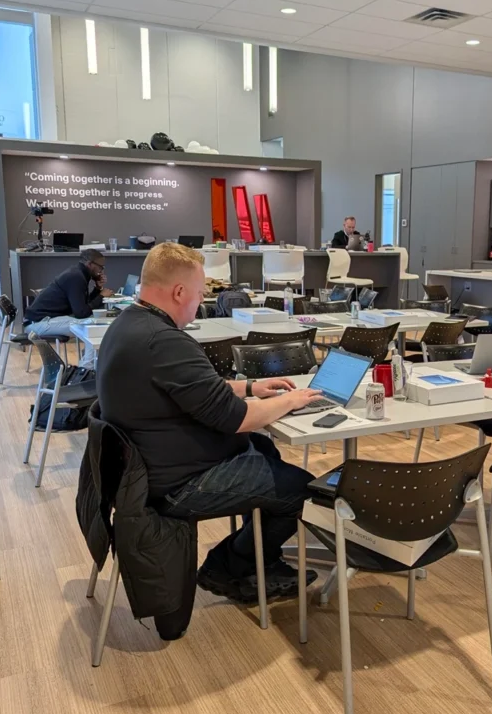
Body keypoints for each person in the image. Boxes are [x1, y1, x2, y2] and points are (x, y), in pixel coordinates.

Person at [96, 242, 324, 605]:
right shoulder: (165, 342)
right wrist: (291, 400)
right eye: (201, 293)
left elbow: (189, 388)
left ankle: (258, 561)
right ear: (179, 292)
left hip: (145, 470)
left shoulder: (128, 324)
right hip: (178, 483)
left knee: (265, 448)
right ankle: (231, 564)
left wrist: (249, 386)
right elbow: (238, 419)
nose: (201, 301)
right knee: (303, 490)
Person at [24, 248, 113, 366]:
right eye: (101, 267)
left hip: (45, 320)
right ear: (90, 264)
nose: (101, 271)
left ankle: (87, 364)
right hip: (38, 323)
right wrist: (101, 296)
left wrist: (97, 289)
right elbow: (81, 313)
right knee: (91, 326)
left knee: (92, 324)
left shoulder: (78, 274)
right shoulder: (76, 277)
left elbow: (83, 306)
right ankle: (87, 367)